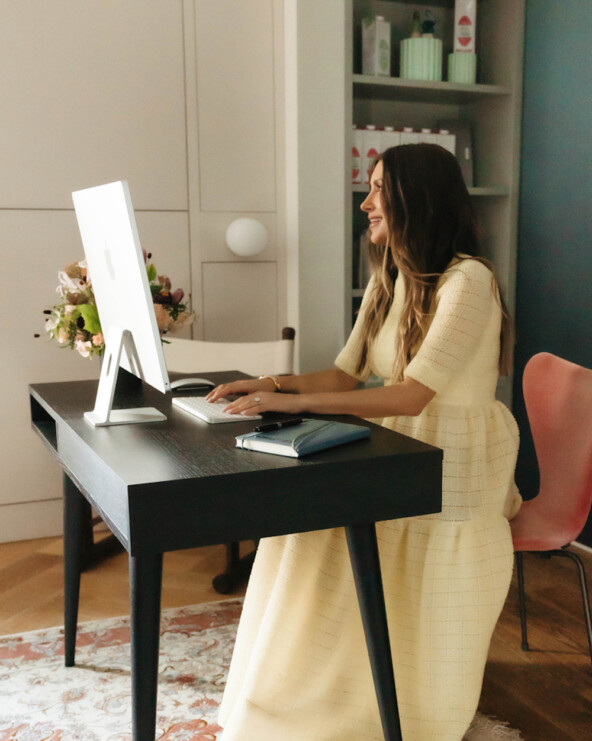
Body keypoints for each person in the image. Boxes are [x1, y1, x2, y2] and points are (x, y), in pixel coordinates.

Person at [207, 143, 522, 741]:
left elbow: (410, 395)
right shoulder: (390, 279)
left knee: (400, 565)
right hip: (396, 445)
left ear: (416, 198)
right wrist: (270, 383)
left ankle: (403, 706)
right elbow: (345, 376)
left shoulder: (469, 282)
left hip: (450, 457)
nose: (365, 203)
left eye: (378, 189)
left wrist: (290, 404)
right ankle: (312, 692)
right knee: (303, 536)